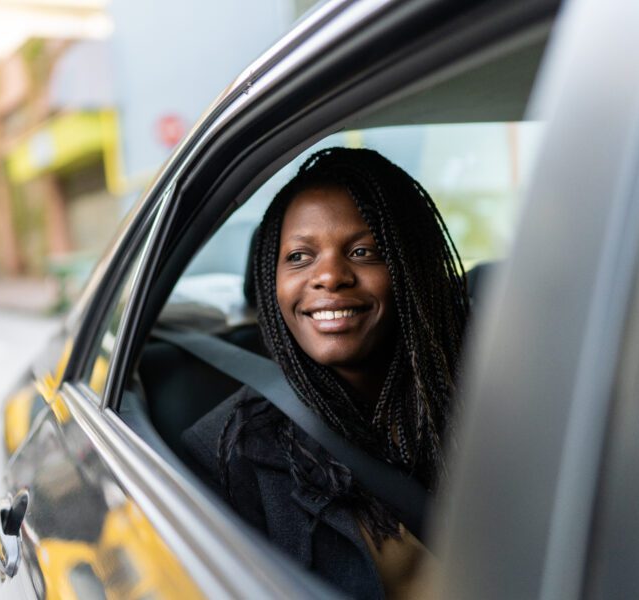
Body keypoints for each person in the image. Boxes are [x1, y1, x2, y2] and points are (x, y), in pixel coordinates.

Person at [182, 147, 469, 599]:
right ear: (270, 279)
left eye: (363, 251)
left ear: (411, 268)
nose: (330, 276)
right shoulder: (226, 454)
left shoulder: (492, 401)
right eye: (299, 257)